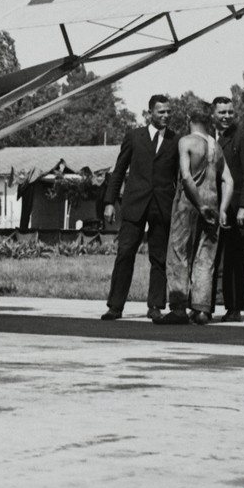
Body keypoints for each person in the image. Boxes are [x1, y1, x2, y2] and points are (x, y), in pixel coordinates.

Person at [100, 94, 178, 321]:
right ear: (150, 113)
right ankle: (115, 306)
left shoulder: (175, 140)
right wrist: (109, 202)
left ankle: (155, 306)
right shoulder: (134, 137)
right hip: (134, 205)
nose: (166, 115)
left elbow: (178, 176)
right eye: (161, 112)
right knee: (125, 253)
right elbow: (119, 171)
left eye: (168, 112)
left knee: (159, 258)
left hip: (161, 206)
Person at [165, 101, 233, 324]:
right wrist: (222, 209)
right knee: (206, 258)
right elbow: (228, 180)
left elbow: (185, 176)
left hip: (189, 204)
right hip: (213, 203)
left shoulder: (187, 142)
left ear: (189, 119)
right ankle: (202, 310)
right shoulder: (216, 147)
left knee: (179, 253)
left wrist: (198, 203)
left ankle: (178, 308)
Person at [212, 95, 244, 321]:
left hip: (234, 210)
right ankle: (205, 307)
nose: (226, 116)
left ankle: (234, 308)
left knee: (234, 260)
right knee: (208, 259)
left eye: (230, 112)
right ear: (213, 114)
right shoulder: (207, 138)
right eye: (222, 112)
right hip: (210, 207)